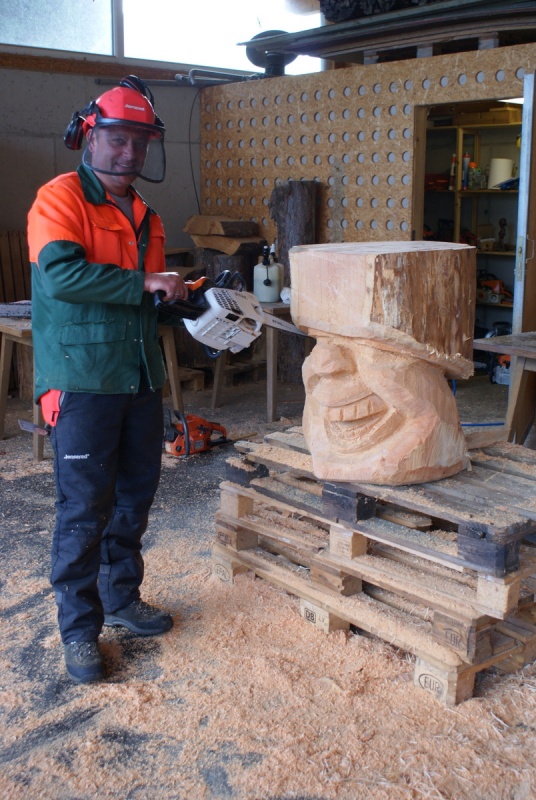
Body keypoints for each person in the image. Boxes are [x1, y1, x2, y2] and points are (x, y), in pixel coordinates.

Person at [27, 76, 188, 684]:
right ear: (90, 137)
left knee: (133, 498)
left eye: (140, 141)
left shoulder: (147, 215)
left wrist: (193, 303)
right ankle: (79, 630)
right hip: (82, 378)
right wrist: (145, 283)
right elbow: (63, 277)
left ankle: (122, 598)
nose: (130, 151)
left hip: (139, 376)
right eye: (118, 138)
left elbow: (149, 299)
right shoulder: (60, 199)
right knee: (83, 508)